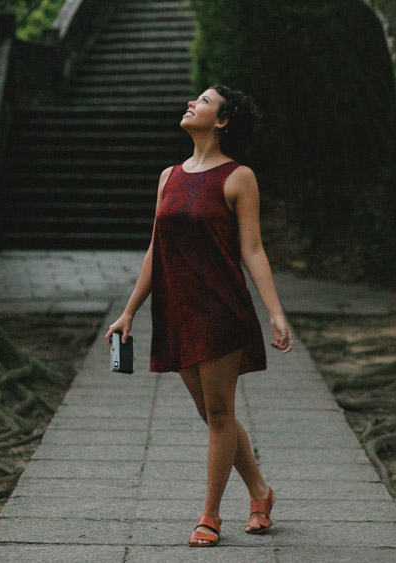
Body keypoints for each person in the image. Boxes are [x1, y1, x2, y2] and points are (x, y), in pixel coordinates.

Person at [105, 85, 292, 547]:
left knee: (218, 412)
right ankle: (261, 493)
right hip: (178, 309)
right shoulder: (168, 175)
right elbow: (156, 248)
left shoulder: (239, 176)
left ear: (223, 121)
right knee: (214, 416)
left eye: (204, 101)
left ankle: (209, 517)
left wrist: (275, 312)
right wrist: (129, 311)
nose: (192, 103)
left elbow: (252, 248)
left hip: (222, 308)